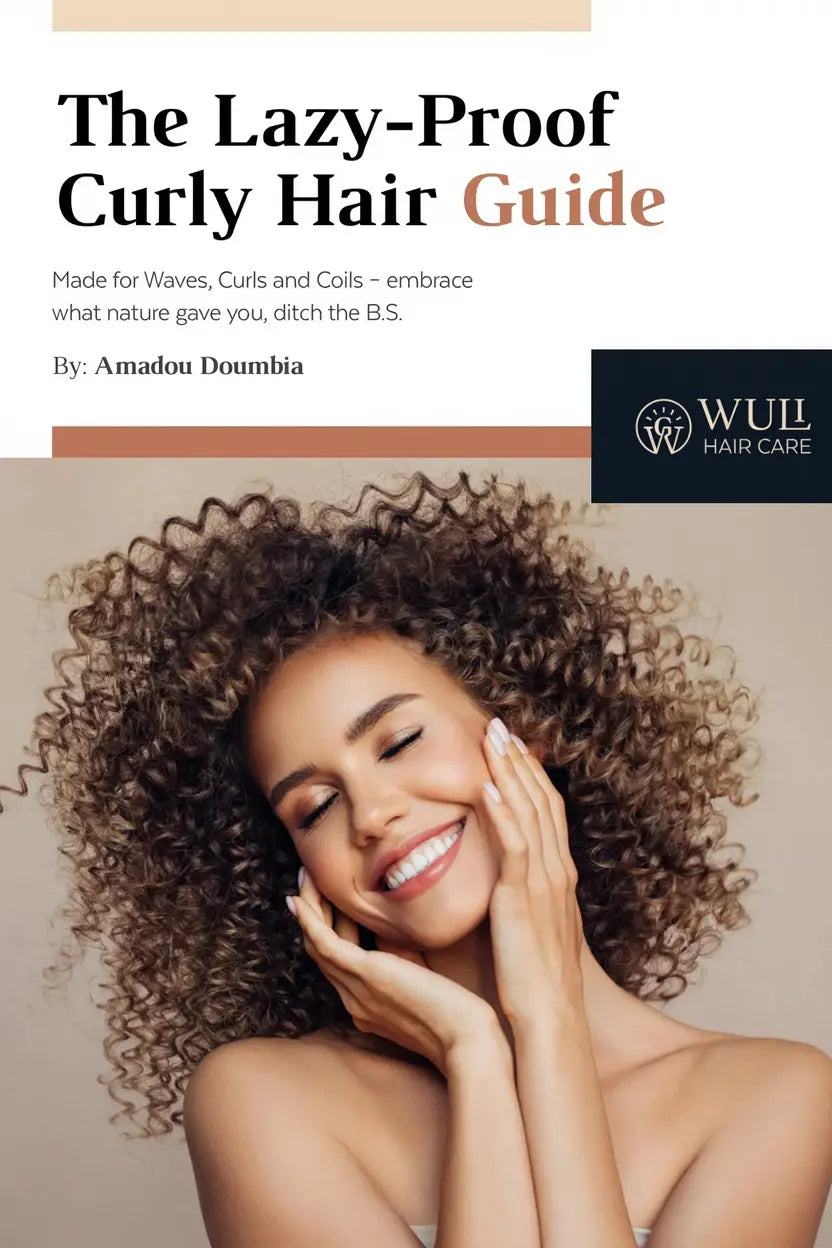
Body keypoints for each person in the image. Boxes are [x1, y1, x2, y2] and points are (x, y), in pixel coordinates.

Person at [3, 472, 831, 1248]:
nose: (371, 815)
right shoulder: (261, 1102)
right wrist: (474, 1053)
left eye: (399, 741)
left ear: (524, 726)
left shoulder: (774, 1096)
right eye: (315, 807)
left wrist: (547, 1024)